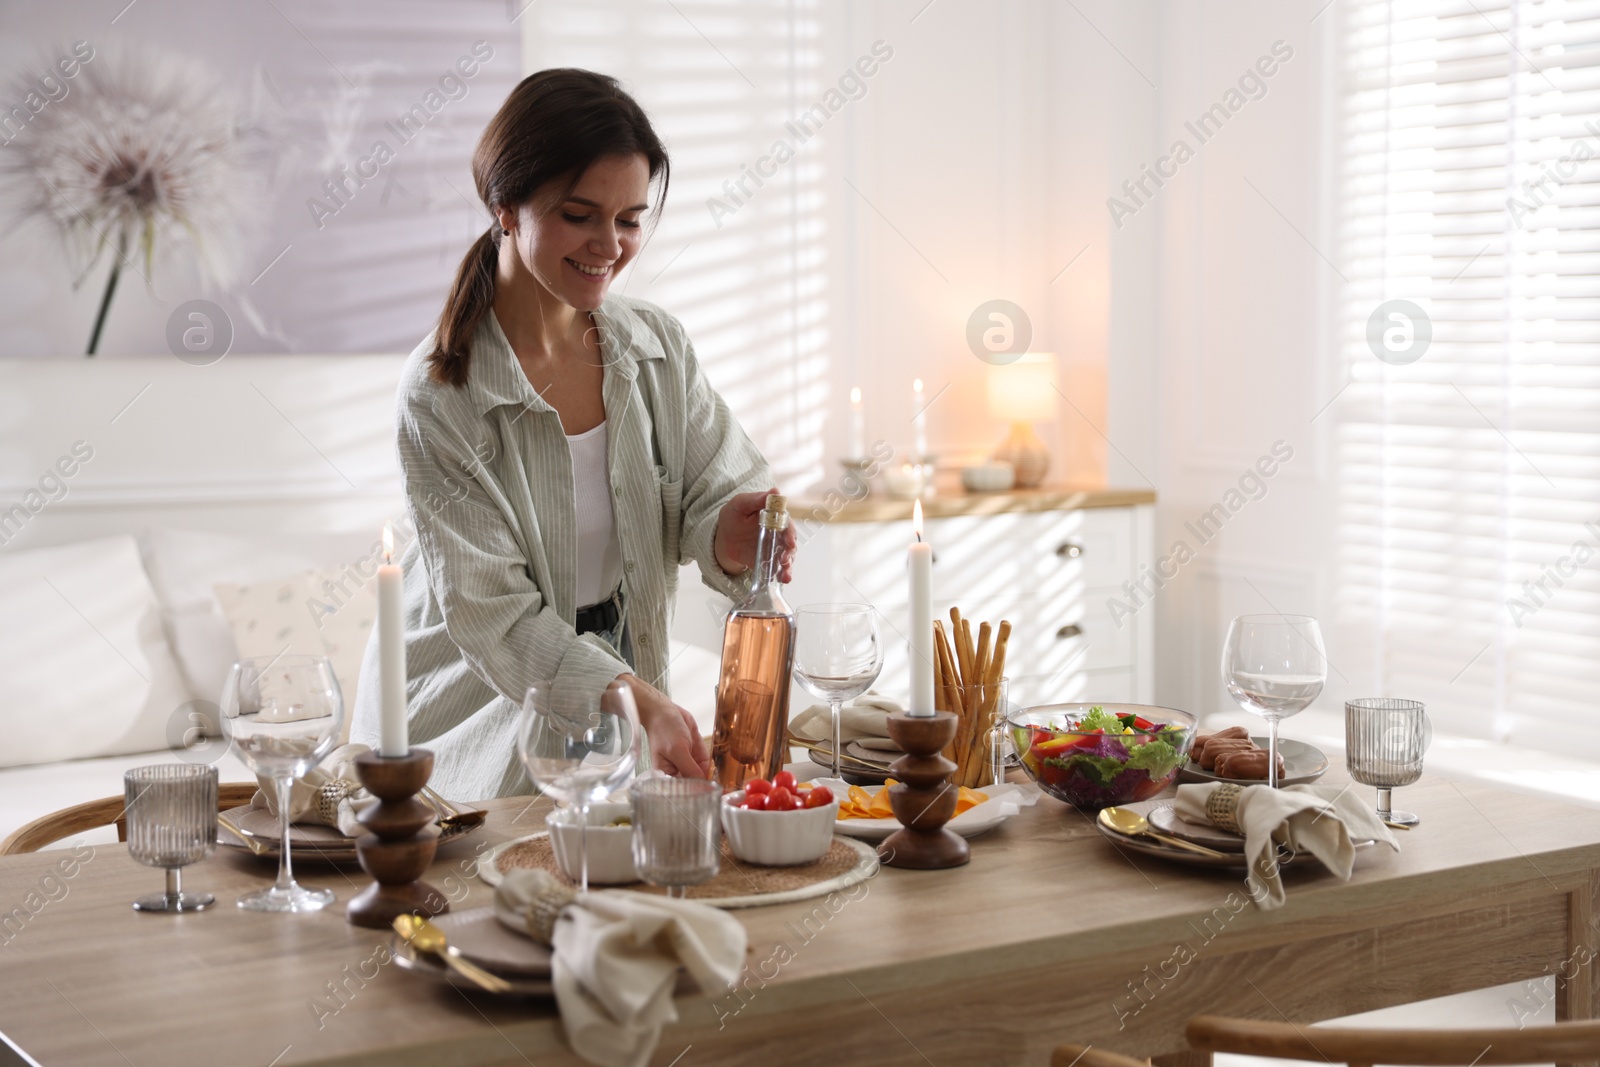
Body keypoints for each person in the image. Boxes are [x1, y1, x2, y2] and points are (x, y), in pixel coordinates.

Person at [351, 68, 795, 801]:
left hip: (622, 702)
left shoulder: (656, 347)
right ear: (505, 207)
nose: (609, 246)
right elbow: (494, 614)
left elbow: (717, 482)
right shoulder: (442, 394)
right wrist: (629, 696)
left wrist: (729, 533)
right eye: (580, 215)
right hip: (470, 717)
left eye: (628, 219)